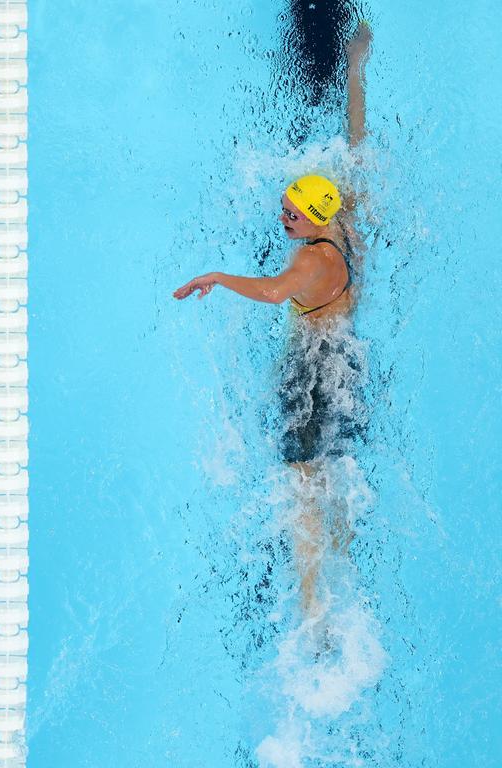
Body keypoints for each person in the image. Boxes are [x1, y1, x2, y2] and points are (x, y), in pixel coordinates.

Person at [173, 23, 372, 622]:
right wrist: (354, 69)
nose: (280, 215)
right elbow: (357, 138)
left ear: (312, 222)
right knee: (325, 473)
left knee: (301, 480)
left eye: (290, 213)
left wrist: (216, 277)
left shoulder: (312, 261)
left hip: (315, 368)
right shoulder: (346, 216)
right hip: (345, 357)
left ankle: (314, 606)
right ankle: (334, 564)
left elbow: (272, 290)